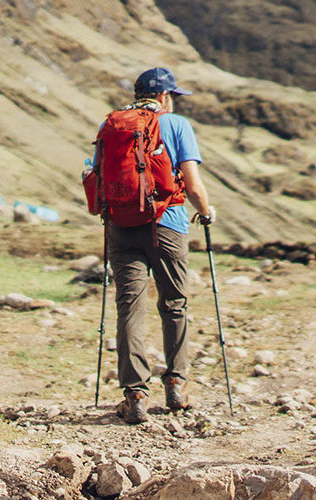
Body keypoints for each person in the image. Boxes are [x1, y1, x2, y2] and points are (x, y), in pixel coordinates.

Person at [94, 67, 215, 424]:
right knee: (174, 304)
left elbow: (98, 174)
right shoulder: (177, 126)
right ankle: (176, 386)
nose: (175, 103)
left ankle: (135, 395)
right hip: (168, 224)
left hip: (120, 224)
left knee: (130, 307)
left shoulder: (110, 125)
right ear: (164, 96)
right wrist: (206, 213)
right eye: (174, 96)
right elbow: (192, 183)